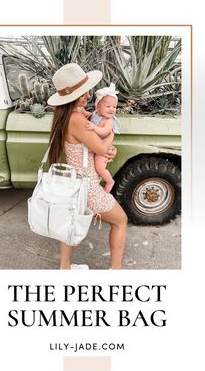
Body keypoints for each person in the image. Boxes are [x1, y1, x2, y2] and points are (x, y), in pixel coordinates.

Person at [47, 63, 127, 270]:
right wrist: (110, 133)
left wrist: (106, 149)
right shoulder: (77, 119)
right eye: (83, 93)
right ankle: (115, 272)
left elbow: (90, 148)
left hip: (73, 182)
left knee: (69, 226)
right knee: (121, 221)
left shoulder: (67, 116)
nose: (88, 96)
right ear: (73, 97)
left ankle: (65, 268)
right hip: (87, 186)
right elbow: (100, 147)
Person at [84, 82, 120, 193]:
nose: (112, 109)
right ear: (98, 106)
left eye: (114, 107)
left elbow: (105, 132)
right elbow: (93, 117)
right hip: (97, 146)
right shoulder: (96, 114)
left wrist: (94, 128)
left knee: (99, 167)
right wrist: (87, 114)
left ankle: (109, 182)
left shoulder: (109, 120)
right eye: (108, 106)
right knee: (95, 169)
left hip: (103, 149)